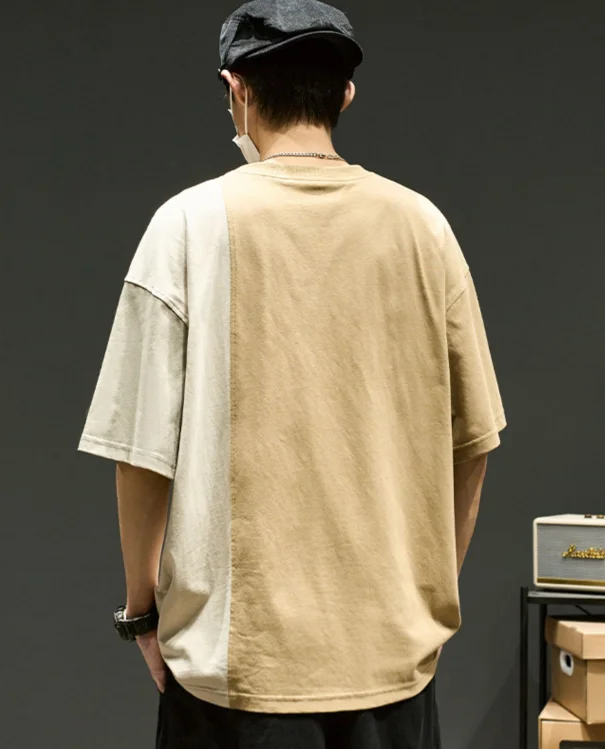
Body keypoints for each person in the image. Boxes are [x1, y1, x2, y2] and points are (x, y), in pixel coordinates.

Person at [78, 1, 507, 747]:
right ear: (346, 94)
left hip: (234, 677)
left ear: (236, 89)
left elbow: (140, 459)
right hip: (390, 672)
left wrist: (141, 613)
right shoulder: (424, 230)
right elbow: (472, 446)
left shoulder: (186, 226)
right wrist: (417, 598)